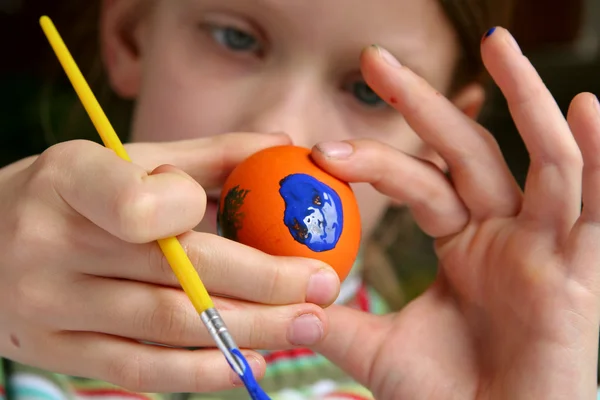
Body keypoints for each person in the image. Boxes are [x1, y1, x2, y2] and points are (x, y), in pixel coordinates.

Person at [1, 0, 599, 399]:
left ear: (438, 134)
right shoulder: (15, 288)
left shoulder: (432, 368)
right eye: (236, 38)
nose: (279, 129)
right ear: (130, 37)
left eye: (366, 91)